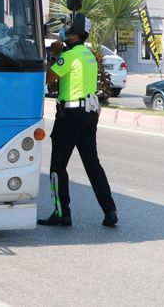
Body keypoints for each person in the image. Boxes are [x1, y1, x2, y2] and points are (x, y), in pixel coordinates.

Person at [38, 12, 118, 228]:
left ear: (73, 33)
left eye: (65, 28)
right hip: (89, 115)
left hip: (70, 116)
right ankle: (110, 210)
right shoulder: (88, 54)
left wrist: (54, 54)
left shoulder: (68, 56)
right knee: (93, 165)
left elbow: (49, 78)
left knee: (57, 166)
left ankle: (62, 212)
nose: (62, 31)